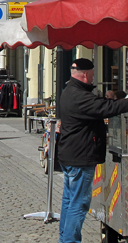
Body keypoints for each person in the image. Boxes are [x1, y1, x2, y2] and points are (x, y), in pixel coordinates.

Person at [57, 58, 128, 243]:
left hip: (71, 155)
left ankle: (65, 239)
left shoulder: (70, 91)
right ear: (86, 74)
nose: (94, 78)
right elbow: (106, 108)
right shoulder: (79, 95)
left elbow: (98, 106)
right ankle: (69, 241)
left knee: (69, 201)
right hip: (80, 157)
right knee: (78, 204)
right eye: (93, 74)